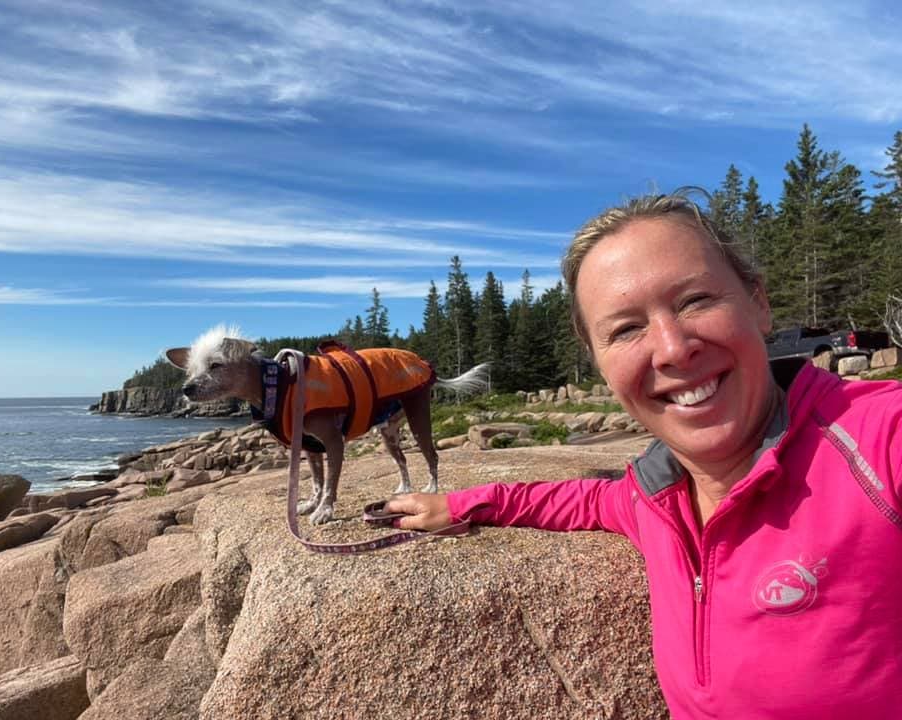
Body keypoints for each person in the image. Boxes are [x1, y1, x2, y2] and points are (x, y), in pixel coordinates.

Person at [385, 190, 902, 720]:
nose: (674, 348)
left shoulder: (878, 443)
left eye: (695, 300)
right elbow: (584, 501)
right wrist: (463, 504)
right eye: (627, 329)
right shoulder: (654, 498)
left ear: (758, 303)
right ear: (599, 364)